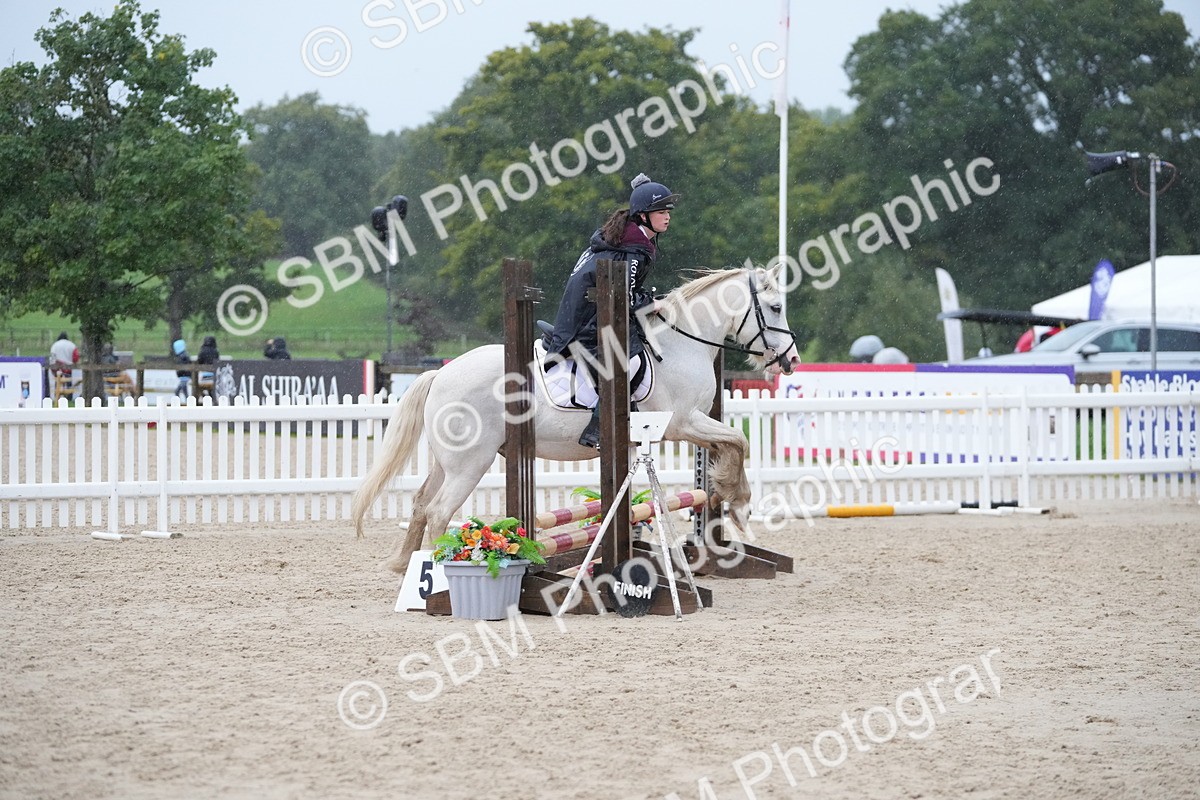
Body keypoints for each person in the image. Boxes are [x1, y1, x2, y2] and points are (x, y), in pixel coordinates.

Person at [545, 172, 680, 448]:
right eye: (661, 212)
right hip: (587, 324)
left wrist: (647, 299)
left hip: (594, 315)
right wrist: (652, 304)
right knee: (631, 361)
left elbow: (625, 291)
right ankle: (598, 426)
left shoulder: (627, 241)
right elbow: (623, 299)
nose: (667, 217)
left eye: (668, 212)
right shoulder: (631, 250)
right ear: (643, 216)